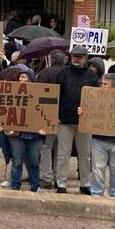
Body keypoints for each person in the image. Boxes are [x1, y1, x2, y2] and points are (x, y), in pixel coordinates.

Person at [0, 65, 44, 192]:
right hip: (17, 135)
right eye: (20, 77)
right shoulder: (12, 93)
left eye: (24, 77)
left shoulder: (39, 93)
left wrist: (43, 128)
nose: (21, 79)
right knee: (17, 161)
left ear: (31, 79)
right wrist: (0, 124)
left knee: (34, 163)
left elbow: (44, 112)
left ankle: (35, 186)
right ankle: (15, 186)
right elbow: (5, 109)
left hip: (34, 135)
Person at [55, 46, 99, 194]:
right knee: (63, 154)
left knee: (85, 155)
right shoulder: (63, 73)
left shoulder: (92, 76)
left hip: (85, 122)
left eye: (79, 56)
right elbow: (56, 94)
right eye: (74, 56)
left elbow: (97, 98)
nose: (76, 58)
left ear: (85, 58)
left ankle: (85, 183)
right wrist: (57, 114)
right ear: (70, 57)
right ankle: (61, 183)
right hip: (65, 121)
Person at [36, 50, 67, 189]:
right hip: (65, 117)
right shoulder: (69, 73)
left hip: (48, 115)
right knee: (60, 149)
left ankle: (47, 177)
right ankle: (58, 177)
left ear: (51, 59)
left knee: (46, 147)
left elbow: (38, 94)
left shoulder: (45, 73)